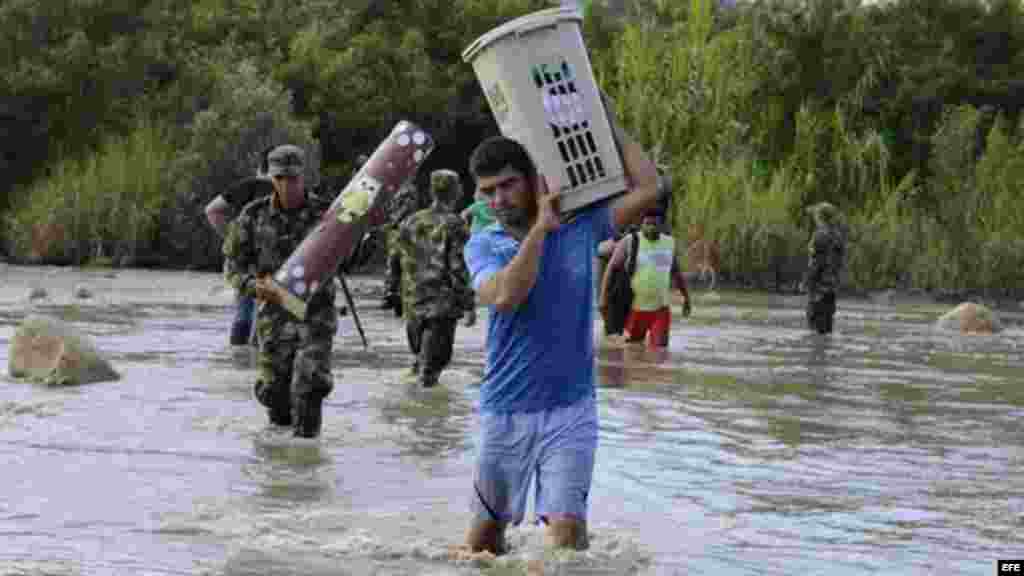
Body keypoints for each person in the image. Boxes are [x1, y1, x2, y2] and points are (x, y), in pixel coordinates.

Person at [461, 111, 662, 554]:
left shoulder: (582, 227)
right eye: (488, 191)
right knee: (484, 545)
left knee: (569, 539)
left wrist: (604, 117)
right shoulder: (483, 244)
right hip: (505, 410)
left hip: (572, 409)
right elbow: (507, 295)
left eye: (508, 185)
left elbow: (649, 188)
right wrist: (539, 231)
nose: (499, 199)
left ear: (534, 180)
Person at [222, 144, 338, 438]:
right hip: (274, 318)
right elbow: (233, 267)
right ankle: (280, 457)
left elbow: (352, 259)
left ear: (303, 176)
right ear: (271, 178)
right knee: (275, 393)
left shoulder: (327, 214)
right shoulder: (253, 216)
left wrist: (368, 233)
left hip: (315, 315)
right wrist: (253, 286)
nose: (287, 185)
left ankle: (307, 451)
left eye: (293, 178)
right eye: (280, 179)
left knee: (310, 384)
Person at [396, 169, 477, 388]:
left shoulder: (410, 221)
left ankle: (410, 404)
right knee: (430, 375)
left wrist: (394, 293)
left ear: (432, 191)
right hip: (441, 308)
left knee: (419, 363)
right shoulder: (455, 224)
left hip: (413, 304)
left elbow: (397, 259)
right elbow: (458, 268)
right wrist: (469, 304)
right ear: (456, 192)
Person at [205, 145, 275, 345]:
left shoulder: (249, 186)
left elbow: (212, 211)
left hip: (243, 262)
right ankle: (254, 354)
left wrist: (233, 239)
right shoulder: (292, 190)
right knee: (265, 312)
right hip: (274, 261)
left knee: (244, 309)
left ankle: (238, 356)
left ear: (260, 167)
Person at [598, 208, 691, 347]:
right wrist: (603, 298)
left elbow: (676, 272)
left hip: (661, 309)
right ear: (642, 224)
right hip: (634, 309)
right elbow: (611, 269)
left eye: (655, 224)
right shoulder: (630, 241)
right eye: (647, 223)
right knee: (630, 350)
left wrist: (686, 298)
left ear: (661, 225)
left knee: (660, 351)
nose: (651, 227)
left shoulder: (669, 243)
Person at [380, 179, 428, 314]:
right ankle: (392, 294)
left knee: (399, 261)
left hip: (403, 229)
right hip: (396, 231)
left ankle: (396, 295)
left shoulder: (407, 189)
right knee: (394, 263)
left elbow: (407, 207)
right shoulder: (394, 188)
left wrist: (393, 222)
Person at [801, 201, 846, 334]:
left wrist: (807, 282)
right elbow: (838, 263)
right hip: (831, 288)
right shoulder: (838, 236)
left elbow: (816, 263)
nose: (814, 218)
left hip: (818, 289)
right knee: (826, 328)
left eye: (815, 215)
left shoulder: (820, 236)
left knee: (815, 330)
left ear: (820, 217)